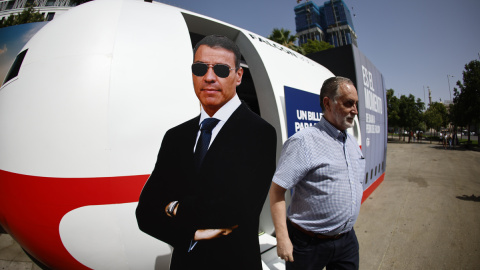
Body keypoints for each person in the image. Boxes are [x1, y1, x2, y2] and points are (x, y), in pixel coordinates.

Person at [136, 35, 277, 270]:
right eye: (200, 68)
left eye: (221, 70)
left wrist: (172, 207)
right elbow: (145, 212)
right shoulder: (175, 136)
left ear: (238, 76)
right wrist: (195, 234)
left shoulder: (260, 133)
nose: (209, 77)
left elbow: (235, 211)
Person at [270, 76, 365, 270]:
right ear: (327, 103)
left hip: (347, 240)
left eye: (356, 104)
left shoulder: (351, 141)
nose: (355, 110)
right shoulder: (303, 142)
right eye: (348, 103)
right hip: (308, 245)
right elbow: (277, 191)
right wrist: (282, 238)